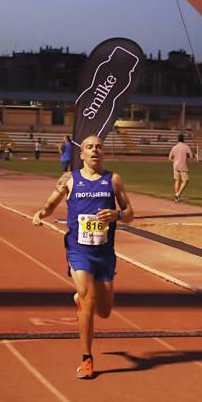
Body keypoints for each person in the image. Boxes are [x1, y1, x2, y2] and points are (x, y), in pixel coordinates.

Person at [32, 135, 134, 379]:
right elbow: (51, 203)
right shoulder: (69, 180)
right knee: (88, 300)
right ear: (82, 154)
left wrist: (117, 216)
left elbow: (130, 213)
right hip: (78, 250)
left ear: (104, 152)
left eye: (98, 147)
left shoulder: (113, 180)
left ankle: (81, 298)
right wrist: (41, 213)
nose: (94, 150)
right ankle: (87, 359)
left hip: (105, 252)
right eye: (89, 147)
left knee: (105, 311)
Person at [168, 133, 193, 203]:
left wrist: (175, 161)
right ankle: (178, 194)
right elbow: (191, 156)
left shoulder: (174, 147)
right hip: (183, 165)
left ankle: (176, 196)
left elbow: (169, 158)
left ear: (178, 139)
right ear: (183, 139)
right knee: (185, 180)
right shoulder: (186, 147)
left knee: (177, 180)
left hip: (175, 165)